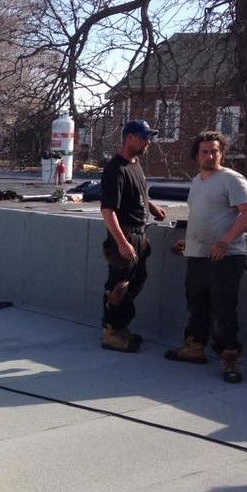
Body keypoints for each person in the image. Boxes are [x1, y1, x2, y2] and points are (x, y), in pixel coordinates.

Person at [165, 131, 247, 384]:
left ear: (222, 153)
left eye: (214, 151)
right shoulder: (197, 181)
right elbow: (203, 216)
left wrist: (225, 242)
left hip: (225, 257)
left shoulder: (232, 179)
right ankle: (194, 348)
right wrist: (190, 242)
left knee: (223, 309)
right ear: (197, 155)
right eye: (204, 152)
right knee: (196, 304)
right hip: (198, 255)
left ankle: (230, 359)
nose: (209, 156)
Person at [99, 120, 167, 352]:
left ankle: (121, 327)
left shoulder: (135, 165)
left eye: (148, 138)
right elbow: (108, 210)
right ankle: (110, 332)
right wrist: (121, 243)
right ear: (129, 137)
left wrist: (152, 208)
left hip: (139, 233)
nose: (147, 142)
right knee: (119, 285)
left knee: (136, 282)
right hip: (125, 234)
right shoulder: (115, 169)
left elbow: (138, 193)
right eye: (144, 137)